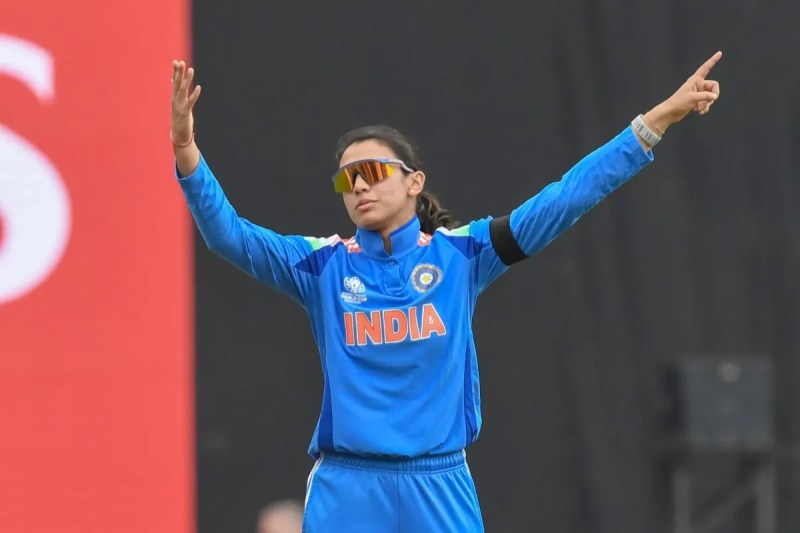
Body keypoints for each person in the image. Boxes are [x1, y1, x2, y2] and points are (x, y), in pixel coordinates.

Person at [170, 51, 722, 532]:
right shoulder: (322, 266)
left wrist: (655, 122)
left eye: (372, 170)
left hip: (437, 482)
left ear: (415, 182)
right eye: (345, 178)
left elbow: (564, 199)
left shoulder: (461, 255)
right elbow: (228, 235)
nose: (357, 185)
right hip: (350, 486)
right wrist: (186, 146)